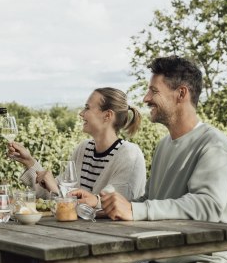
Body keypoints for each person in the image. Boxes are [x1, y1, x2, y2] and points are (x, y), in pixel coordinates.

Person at [99, 55, 227, 263]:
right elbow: (151, 201)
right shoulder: (164, 146)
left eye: (153, 91)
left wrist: (136, 209)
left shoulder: (214, 145)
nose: (146, 98)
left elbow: (206, 206)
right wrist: (108, 208)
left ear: (181, 94)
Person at [9, 87, 146, 207]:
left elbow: (110, 206)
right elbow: (50, 194)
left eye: (87, 108)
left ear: (107, 115)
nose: (81, 113)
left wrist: (56, 191)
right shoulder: (83, 149)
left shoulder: (129, 155)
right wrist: (29, 162)